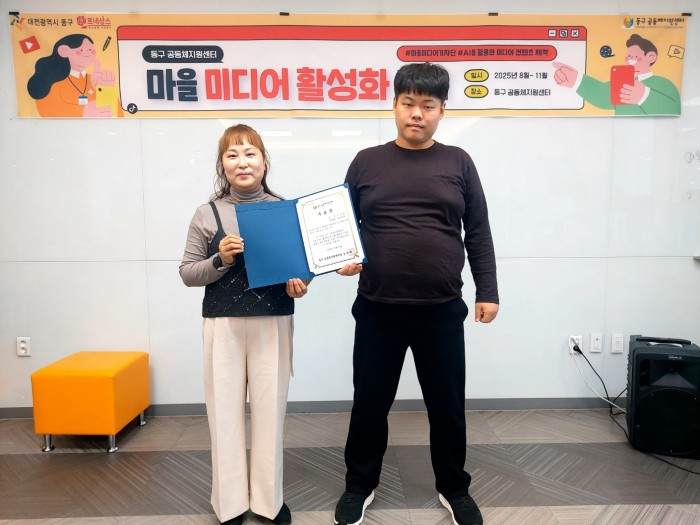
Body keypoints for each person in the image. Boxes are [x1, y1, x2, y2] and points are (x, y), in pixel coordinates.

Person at [334, 62, 499, 525]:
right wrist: (343, 257)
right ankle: (359, 484)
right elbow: (343, 224)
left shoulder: (458, 161)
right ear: (394, 105)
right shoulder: (366, 161)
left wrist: (487, 290)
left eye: (428, 105)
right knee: (370, 404)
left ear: (442, 110)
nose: (416, 114)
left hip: (441, 309)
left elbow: (478, 230)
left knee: (447, 406)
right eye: (408, 103)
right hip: (377, 306)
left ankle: (453, 487)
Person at [180, 124, 308, 525]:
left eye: (250, 153)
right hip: (223, 325)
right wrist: (220, 259)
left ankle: (270, 502)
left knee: (271, 413)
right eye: (232, 155)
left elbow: (299, 270)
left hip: (273, 322)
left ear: (264, 161)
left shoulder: (286, 210)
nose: (242, 162)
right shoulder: (207, 213)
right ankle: (230, 503)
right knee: (223, 414)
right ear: (222, 165)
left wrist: (300, 284)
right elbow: (188, 273)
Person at [553, 33, 680, 115]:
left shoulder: (665, 84)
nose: (630, 60)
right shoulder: (622, 82)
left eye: (635, 56)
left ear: (651, 57)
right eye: (628, 56)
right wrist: (577, 81)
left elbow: (673, 108)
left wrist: (644, 96)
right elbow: (601, 94)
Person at [27, 33, 120, 117]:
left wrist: (106, 89)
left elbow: (115, 116)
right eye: (82, 50)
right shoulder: (52, 79)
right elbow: (47, 110)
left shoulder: (94, 79)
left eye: (91, 50)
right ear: (64, 51)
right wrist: (83, 112)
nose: (88, 54)